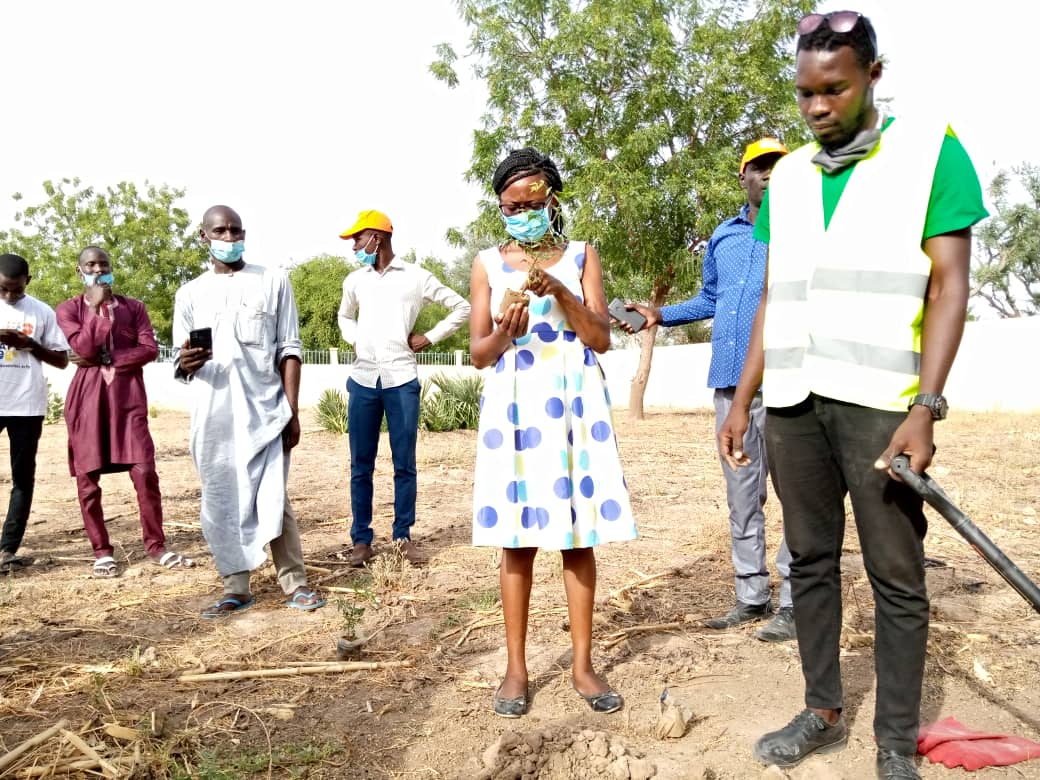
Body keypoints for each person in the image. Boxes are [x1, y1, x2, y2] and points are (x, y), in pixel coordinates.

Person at [717, 12, 987, 779]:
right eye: (804, 93)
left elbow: (950, 284)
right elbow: (775, 292)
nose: (816, 108)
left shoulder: (933, 152)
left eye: (833, 89)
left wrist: (926, 408)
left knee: (896, 574)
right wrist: (744, 401)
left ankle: (895, 741)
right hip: (795, 401)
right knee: (808, 561)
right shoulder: (793, 174)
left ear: (874, 75)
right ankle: (823, 708)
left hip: (881, 404)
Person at [470, 148, 638, 718]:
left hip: (572, 404)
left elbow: (600, 338)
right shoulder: (488, 265)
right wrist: (504, 330)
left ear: (553, 199)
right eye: (512, 205)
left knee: (575, 538)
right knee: (516, 542)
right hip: (515, 406)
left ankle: (583, 665)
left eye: (533, 203)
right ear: (500, 205)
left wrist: (561, 294)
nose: (523, 213)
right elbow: (478, 354)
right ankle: (515, 668)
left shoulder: (581, 255)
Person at [618, 138, 795, 642]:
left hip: (786, 384)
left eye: (778, 168)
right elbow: (711, 298)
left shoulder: (803, 231)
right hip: (729, 385)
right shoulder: (724, 235)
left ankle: (796, 601)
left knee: (797, 498)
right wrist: (659, 314)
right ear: (742, 177)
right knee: (743, 495)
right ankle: (751, 596)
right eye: (759, 168)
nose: (768, 176)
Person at [174, 205, 324, 618]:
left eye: (235, 230)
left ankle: (295, 583)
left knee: (273, 496)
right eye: (219, 231)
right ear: (204, 237)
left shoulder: (273, 280)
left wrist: (291, 410)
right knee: (221, 499)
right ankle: (235, 586)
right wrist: (186, 362)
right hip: (214, 416)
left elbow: (289, 349)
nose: (229, 238)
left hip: (265, 410)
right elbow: (180, 361)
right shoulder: (189, 294)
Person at [337, 210, 470, 566]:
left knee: (404, 463)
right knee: (360, 465)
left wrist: (430, 336)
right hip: (363, 381)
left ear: (378, 237)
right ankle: (361, 540)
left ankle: (402, 536)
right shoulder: (355, 281)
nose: (354, 246)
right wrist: (355, 340)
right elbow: (344, 316)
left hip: (401, 380)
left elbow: (461, 306)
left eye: (357, 238)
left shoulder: (416, 277)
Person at [56, 246, 194, 578]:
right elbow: (83, 348)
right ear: (80, 271)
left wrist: (108, 359)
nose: (98, 269)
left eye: (103, 264)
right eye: (91, 265)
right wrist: (94, 307)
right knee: (88, 480)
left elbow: (147, 349)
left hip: (128, 399)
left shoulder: (135, 308)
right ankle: (101, 551)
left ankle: (156, 545)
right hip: (87, 401)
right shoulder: (68, 310)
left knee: (144, 471)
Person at [0, 253, 69, 572]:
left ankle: (7, 548)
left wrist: (29, 344)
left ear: (28, 280)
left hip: (26, 405)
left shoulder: (41, 311)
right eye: (3, 289)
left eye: (16, 289)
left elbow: (61, 359)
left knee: (22, 477)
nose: (10, 296)